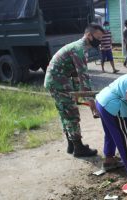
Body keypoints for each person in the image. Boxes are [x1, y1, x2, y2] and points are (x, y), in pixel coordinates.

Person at [44, 23, 104, 157]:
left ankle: (71, 145)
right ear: (89, 35)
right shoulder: (79, 49)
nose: (100, 41)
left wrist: (77, 93)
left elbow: (76, 76)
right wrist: (92, 103)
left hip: (58, 81)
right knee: (71, 114)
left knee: (65, 112)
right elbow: (84, 77)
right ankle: (78, 148)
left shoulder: (80, 47)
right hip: (59, 83)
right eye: (98, 37)